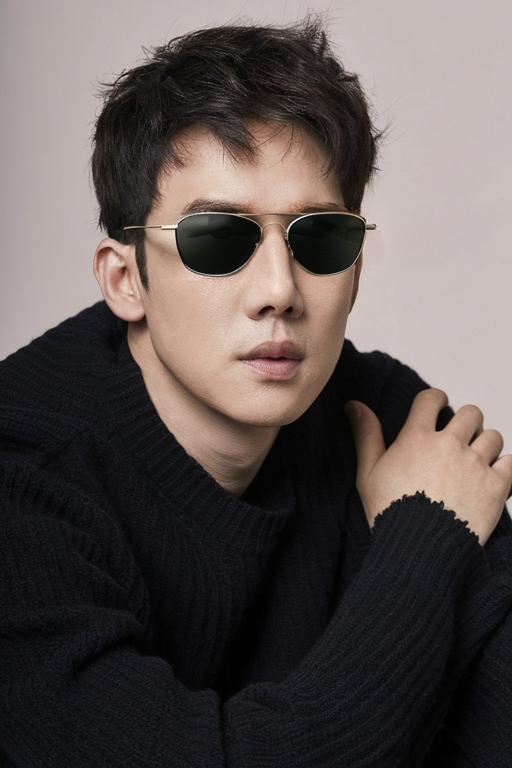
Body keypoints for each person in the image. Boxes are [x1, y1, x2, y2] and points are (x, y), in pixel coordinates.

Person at [0, 18, 511, 768]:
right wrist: (424, 540)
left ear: (356, 272)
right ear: (125, 278)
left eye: (320, 237)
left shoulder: (385, 419)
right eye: (217, 237)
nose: (280, 290)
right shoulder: (21, 476)